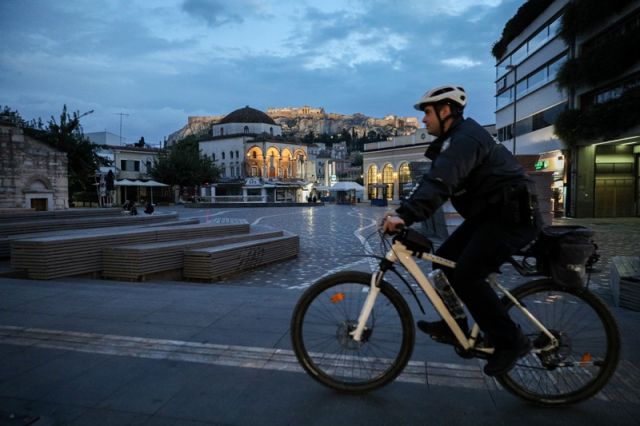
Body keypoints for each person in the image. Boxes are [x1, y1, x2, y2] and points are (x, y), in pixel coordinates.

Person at [382, 84, 542, 376]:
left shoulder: (465, 139)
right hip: (491, 215)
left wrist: (405, 215)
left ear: (445, 111)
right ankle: (453, 323)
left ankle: (511, 342)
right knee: (444, 266)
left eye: (427, 112)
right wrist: (402, 211)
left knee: (468, 274)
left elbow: (441, 182)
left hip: (512, 217)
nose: (422, 120)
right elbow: (431, 181)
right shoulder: (454, 140)